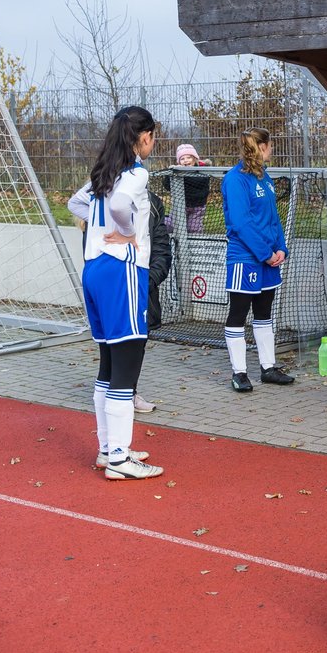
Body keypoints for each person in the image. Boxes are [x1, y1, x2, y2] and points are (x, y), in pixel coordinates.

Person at [66, 105, 163, 479]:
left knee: (108, 362)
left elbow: (76, 203)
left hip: (94, 269)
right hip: (121, 268)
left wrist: (97, 221)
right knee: (127, 361)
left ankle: (109, 450)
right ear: (144, 138)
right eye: (153, 137)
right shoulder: (135, 173)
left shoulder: (105, 173)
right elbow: (122, 205)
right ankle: (120, 460)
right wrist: (125, 231)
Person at [221, 127, 295, 392]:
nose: (272, 150)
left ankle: (268, 368)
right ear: (262, 147)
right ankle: (239, 373)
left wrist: (281, 248)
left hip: (269, 259)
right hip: (245, 259)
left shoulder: (265, 178)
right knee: (239, 314)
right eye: (271, 145)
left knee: (264, 315)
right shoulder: (235, 179)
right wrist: (266, 253)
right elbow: (241, 222)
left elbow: (273, 218)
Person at [134, 188, 172, 415]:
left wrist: (148, 281)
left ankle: (129, 392)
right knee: (112, 346)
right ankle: (112, 395)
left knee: (138, 343)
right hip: (114, 288)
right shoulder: (103, 198)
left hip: (143, 288)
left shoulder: (152, 203)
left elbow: (161, 249)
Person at [175, 143, 210, 233]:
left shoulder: (202, 171)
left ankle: (196, 244)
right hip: (181, 205)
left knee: (194, 228)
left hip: (197, 206)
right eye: (182, 159)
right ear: (179, 162)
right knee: (176, 227)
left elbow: (197, 181)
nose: (186, 161)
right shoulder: (178, 172)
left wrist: (183, 175)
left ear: (194, 159)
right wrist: (171, 173)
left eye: (189, 158)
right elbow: (167, 186)